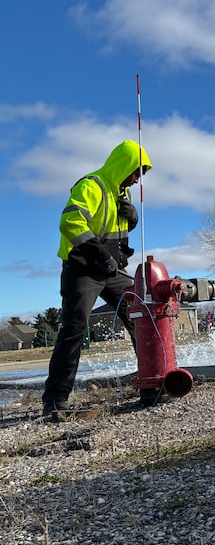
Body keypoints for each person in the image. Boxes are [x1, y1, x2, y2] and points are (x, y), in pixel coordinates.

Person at [42, 140, 151, 415]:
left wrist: (133, 217)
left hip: (112, 271)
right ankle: (54, 401)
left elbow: (116, 230)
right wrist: (100, 254)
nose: (137, 178)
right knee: (73, 330)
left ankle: (153, 384)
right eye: (136, 171)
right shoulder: (91, 186)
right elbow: (70, 222)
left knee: (142, 318)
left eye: (142, 174)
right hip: (83, 270)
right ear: (123, 165)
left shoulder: (121, 195)